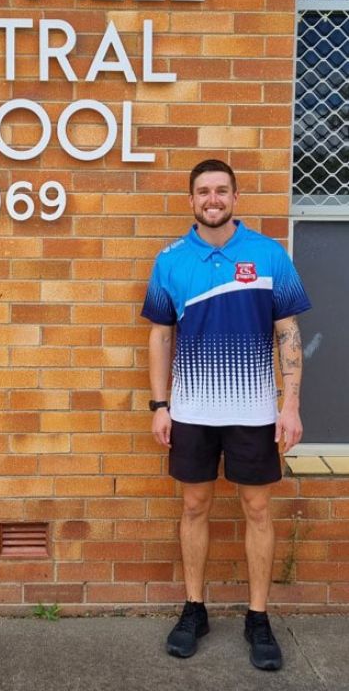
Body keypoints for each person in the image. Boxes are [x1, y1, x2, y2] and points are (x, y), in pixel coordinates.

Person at [141, 159, 311, 671]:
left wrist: (291, 403)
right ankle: (195, 609)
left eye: (221, 190)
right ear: (191, 200)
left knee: (257, 511)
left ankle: (258, 617)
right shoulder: (170, 260)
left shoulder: (268, 254)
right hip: (191, 409)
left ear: (235, 196)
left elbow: (288, 331)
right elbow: (159, 335)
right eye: (202, 192)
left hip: (254, 409)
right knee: (195, 506)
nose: (211, 199)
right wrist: (159, 405)